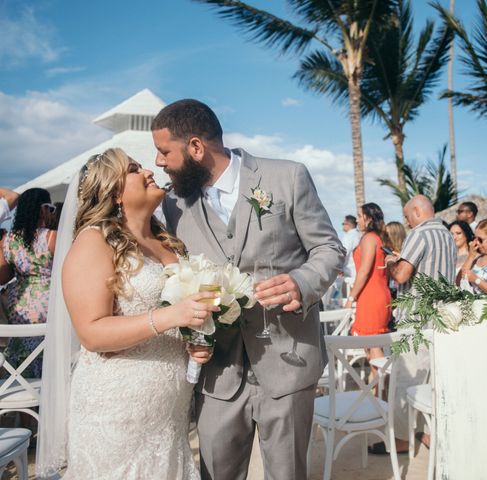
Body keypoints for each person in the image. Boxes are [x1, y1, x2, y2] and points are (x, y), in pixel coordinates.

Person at [151, 99, 344, 480]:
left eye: (163, 151)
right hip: (217, 373)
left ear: (195, 147)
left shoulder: (287, 177)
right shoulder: (173, 204)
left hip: (288, 363)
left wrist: (302, 282)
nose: (159, 162)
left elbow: (329, 248)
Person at [36, 148, 218, 479]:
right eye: (134, 169)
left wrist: (192, 341)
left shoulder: (169, 243)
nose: (149, 171)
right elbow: (92, 333)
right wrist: (170, 318)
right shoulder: (93, 242)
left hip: (169, 418)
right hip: (115, 416)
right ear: (114, 191)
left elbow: (173, 317)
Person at [373, 195, 456, 456]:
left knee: (405, 378)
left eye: (408, 217)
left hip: (415, 318)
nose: (408, 223)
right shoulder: (446, 235)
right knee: (431, 377)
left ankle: (402, 439)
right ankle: (428, 432)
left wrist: (390, 263)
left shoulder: (419, 234)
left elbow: (402, 274)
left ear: (418, 211)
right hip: (440, 317)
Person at [0, 188, 56, 377]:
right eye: (51, 209)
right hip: (49, 301)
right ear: (43, 209)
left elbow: (4, 277)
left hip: (19, 304)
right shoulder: (51, 237)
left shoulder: (9, 240)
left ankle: (21, 381)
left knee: (21, 346)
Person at [345, 203, 391, 380]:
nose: (357, 220)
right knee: (371, 349)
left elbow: (364, 271)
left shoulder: (369, 238)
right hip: (376, 294)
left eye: (360, 216)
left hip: (371, 297)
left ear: (369, 218)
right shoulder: (377, 238)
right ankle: (379, 394)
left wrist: (351, 297)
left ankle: (383, 395)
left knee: (374, 348)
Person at [384, 221, 406, 299]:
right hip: (390, 293)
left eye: (386, 235)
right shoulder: (387, 252)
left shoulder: (406, 253)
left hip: (402, 294)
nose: (384, 238)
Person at [448, 220, 475, 285]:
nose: (454, 237)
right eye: (451, 234)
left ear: (466, 234)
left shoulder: (474, 254)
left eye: (458, 233)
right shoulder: (447, 256)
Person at [340, 214, 361, 283]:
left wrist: (338, 268)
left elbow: (342, 253)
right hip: (358, 272)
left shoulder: (348, 236)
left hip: (349, 274)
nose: (342, 226)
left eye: (343, 223)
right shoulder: (359, 235)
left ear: (348, 224)